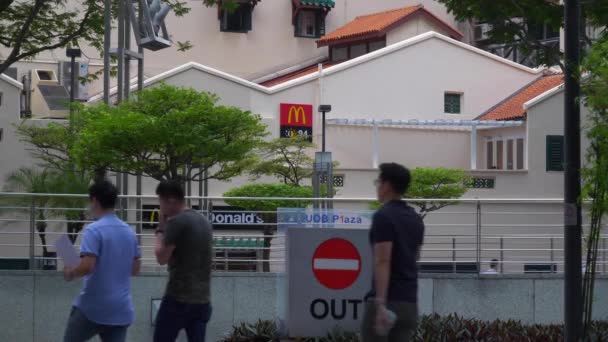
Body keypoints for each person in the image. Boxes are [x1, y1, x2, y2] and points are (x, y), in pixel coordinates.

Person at [63, 180, 141, 342]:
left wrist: (71, 272)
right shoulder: (129, 232)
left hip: (92, 308)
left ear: (95, 201)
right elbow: (135, 269)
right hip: (121, 309)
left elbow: (87, 266)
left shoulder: (94, 230)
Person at [362, 163, 425, 342]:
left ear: (387, 185)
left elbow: (383, 260)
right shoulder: (415, 218)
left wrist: (380, 303)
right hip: (409, 303)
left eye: (379, 182)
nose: (378, 187)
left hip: (388, 303)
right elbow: (415, 257)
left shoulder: (384, 216)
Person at [153, 180, 213, 342]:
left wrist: (160, 229)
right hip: (203, 300)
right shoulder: (204, 221)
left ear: (170, 200)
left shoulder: (177, 222)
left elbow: (161, 257)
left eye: (160, 200)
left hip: (178, 299)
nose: (160, 206)